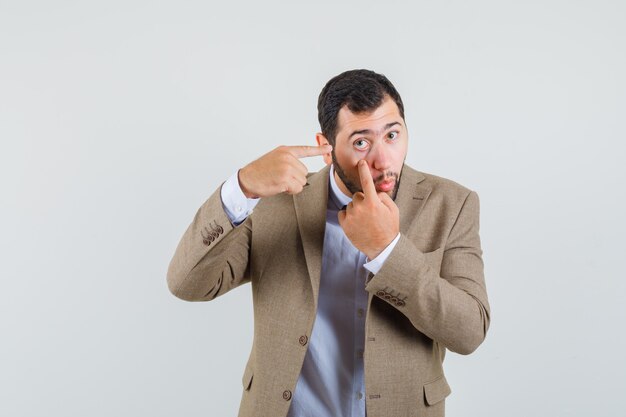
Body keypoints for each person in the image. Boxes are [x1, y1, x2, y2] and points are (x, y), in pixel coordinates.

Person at [167, 69, 490, 417]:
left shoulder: (452, 204)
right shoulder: (276, 203)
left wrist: (388, 251)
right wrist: (241, 189)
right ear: (326, 148)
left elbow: (469, 331)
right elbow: (187, 284)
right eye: (361, 142)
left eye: (392, 135)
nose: (383, 160)